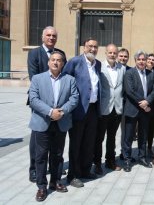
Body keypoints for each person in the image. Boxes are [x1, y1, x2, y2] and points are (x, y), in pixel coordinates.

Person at [29, 51, 78, 201]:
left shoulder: (70, 79)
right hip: (42, 122)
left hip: (61, 122)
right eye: (53, 60)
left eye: (59, 60)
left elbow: (74, 98)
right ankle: (41, 187)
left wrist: (61, 112)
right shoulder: (37, 78)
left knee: (57, 154)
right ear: (49, 62)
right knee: (41, 156)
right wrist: (50, 112)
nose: (56, 62)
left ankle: (55, 182)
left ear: (63, 63)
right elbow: (33, 99)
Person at [27, 26, 66, 183]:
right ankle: (34, 169)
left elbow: (65, 75)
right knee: (38, 137)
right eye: (48, 35)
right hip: (40, 103)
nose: (51, 38)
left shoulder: (60, 54)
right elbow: (33, 76)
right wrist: (48, 108)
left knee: (55, 136)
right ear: (43, 37)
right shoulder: (34, 53)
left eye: (54, 36)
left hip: (58, 104)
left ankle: (52, 167)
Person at [63, 38, 101, 188]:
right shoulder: (75, 62)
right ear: (84, 47)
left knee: (89, 142)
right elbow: (65, 81)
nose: (92, 49)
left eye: (95, 47)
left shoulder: (97, 64)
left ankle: (85, 170)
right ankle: (73, 175)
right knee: (76, 143)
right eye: (90, 46)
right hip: (78, 109)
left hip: (93, 109)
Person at [122, 51, 154, 171]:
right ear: (135, 60)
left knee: (143, 135)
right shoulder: (129, 73)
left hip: (146, 111)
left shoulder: (151, 74)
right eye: (139, 59)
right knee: (128, 136)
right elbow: (130, 91)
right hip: (132, 109)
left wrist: (147, 101)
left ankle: (142, 157)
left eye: (144, 59)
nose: (142, 62)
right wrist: (143, 104)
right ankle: (127, 159)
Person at [93, 44, 125, 175]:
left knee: (112, 137)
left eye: (114, 53)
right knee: (99, 138)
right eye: (110, 53)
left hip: (116, 108)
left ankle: (110, 160)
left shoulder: (122, 68)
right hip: (103, 108)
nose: (112, 55)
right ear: (106, 53)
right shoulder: (99, 68)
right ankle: (97, 163)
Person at [146, 53, 154, 160]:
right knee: (142, 129)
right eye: (149, 59)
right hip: (143, 104)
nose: (151, 61)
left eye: (153, 60)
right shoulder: (141, 71)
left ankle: (149, 147)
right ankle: (142, 149)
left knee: (151, 129)